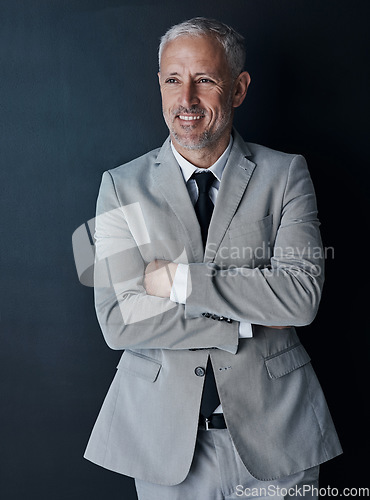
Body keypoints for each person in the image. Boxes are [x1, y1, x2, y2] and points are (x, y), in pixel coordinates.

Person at [84, 17, 342, 500]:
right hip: (164, 446)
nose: (186, 101)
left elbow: (300, 299)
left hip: (279, 439)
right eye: (173, 80)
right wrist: (245, 322)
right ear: (158, 85)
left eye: (204, 79)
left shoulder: (286, 175)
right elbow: (118, 320)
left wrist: (179, 283)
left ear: (239, 89)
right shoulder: (119, 186)